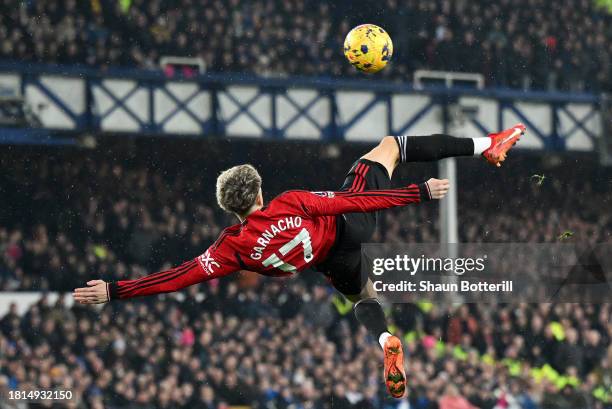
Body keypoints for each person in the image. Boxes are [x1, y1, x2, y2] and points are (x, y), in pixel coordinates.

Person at [73, 124, 526, 398]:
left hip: (330, 262)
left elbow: (178, 277)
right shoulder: (290, 203)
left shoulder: (232, 248)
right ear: (259, 191)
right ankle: (488, 143)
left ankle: (385, 338)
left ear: (231, 208)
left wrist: (115, 290)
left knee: (361, 295)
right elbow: (352, 205)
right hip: (349, 228)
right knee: (391, 146)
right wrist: (417, 192)